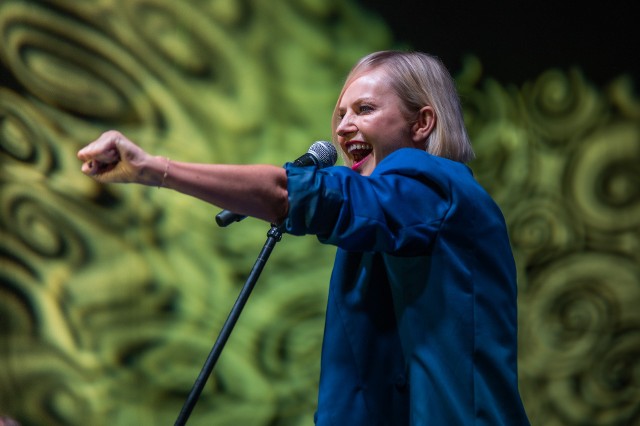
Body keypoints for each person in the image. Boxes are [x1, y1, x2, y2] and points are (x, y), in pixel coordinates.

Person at [78, 50, 530, 425]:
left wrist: (153, 169)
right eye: (340, 114)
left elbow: (295, 194)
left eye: (365, 110)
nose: (342, 128)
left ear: (423, 122)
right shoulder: (392, 217)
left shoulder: (432, 185)